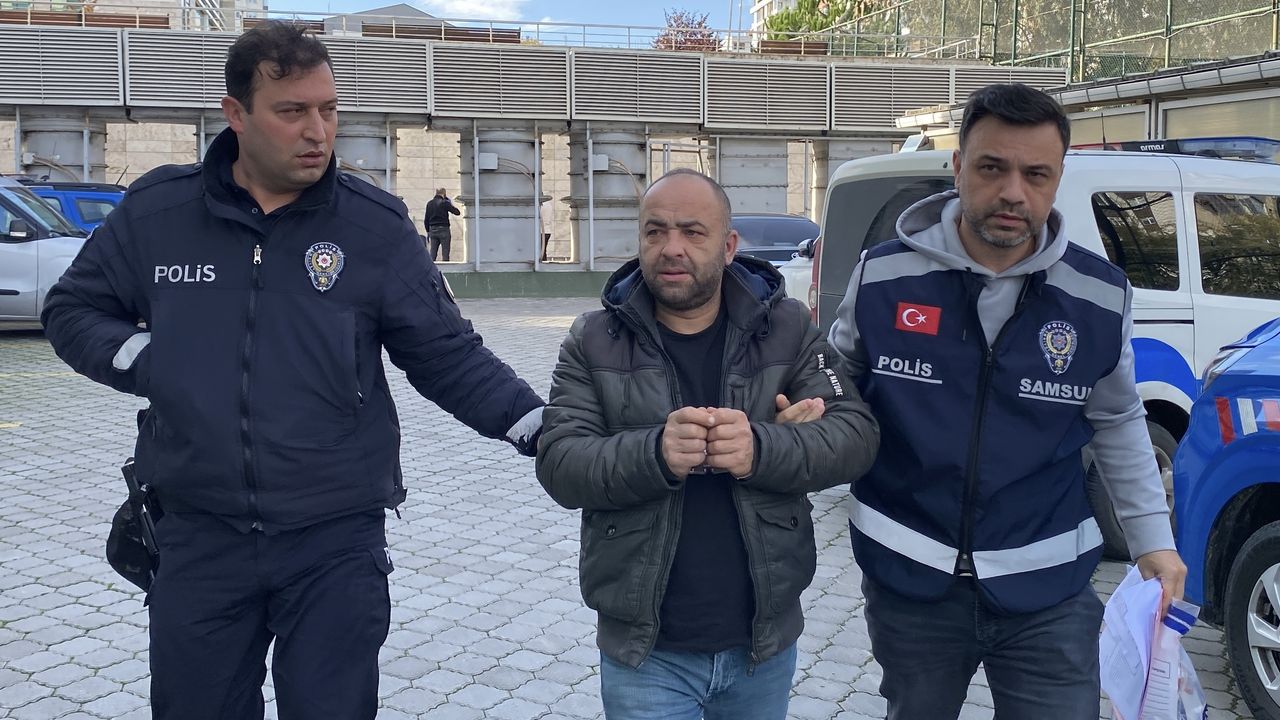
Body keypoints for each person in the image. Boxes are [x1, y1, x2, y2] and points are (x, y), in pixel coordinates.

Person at [40, 22, 544, 720]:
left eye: (329, 109)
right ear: (236, 114)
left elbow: (446, 353)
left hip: (334, 541)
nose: (318, 131)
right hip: (198, 533)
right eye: (292, 111)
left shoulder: (373, 227)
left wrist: (537, 424)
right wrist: (149, 362)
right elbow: (72, 309)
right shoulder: (160, 213)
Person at [827, 83, 1187, 720]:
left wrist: (1152, 540)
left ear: (1057, 179)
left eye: (1035, 174)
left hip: (1049, 584)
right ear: (958, 167)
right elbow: (835, 382)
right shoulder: (882, 277)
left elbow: (1118, 419)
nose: (1013, 192)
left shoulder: (1100, 295)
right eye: (992, 168)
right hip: (911, 578)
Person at [537, 168, 879, 720]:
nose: (671, 248)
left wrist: (762, 448)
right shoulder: (594, 339)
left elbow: (855, 434)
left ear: (728, 245)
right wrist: (654, 454)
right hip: (646, 650)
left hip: (762, 645)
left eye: (693, 232)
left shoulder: (787, 328)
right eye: (655, 231)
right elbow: (559, 462)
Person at [424, 186, 461, 261]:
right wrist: (450, 203)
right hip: (444, 229)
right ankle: (446, 267)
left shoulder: (429, 203)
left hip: (433, 230)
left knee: (433, 253)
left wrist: (428, 231)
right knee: (445, 253)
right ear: (444, 194)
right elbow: (457, 212)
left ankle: (431, 267)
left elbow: (426, 219)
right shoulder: (445, 203)